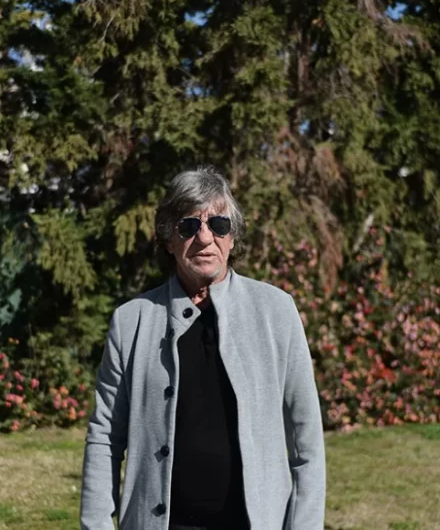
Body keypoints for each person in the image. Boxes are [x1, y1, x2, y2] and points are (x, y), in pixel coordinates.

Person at [80, 166, 326, 530]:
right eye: (189, 226)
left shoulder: (276, 311)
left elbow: (307, 441)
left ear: (232, 237)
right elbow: (104, 437)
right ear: (168, 239)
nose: (205, 238)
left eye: (219, 225)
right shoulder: (131, 321)